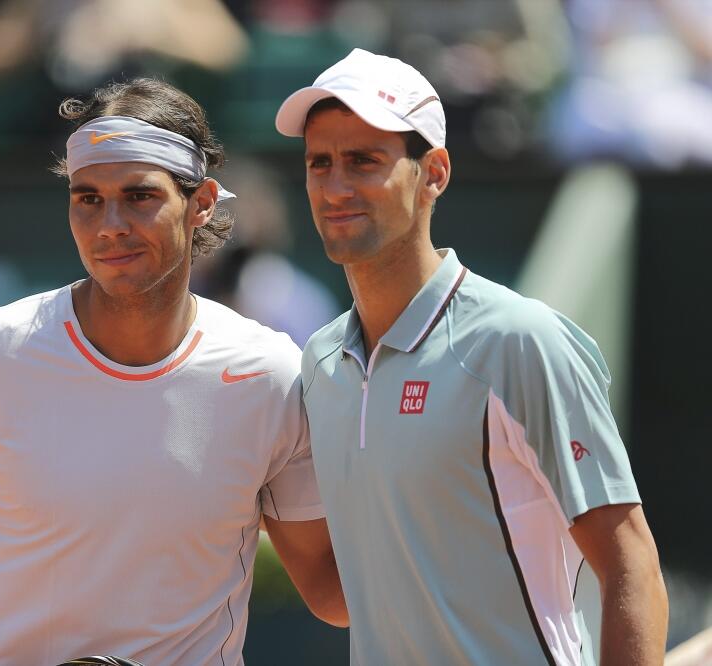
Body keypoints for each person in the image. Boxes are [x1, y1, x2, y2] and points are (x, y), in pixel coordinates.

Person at [0, 78, 346, 666]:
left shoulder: (271, 374)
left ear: (203, 202)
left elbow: (332, 591)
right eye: (88, 198)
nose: (109, 225)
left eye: (139, 196)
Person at [275, 48, 667, 664]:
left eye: (363, 161)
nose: (335, 186)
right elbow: (342, 597)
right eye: (318, 163)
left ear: (433, 173)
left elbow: (630, 563)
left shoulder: (519, 340)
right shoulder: (323, 363)